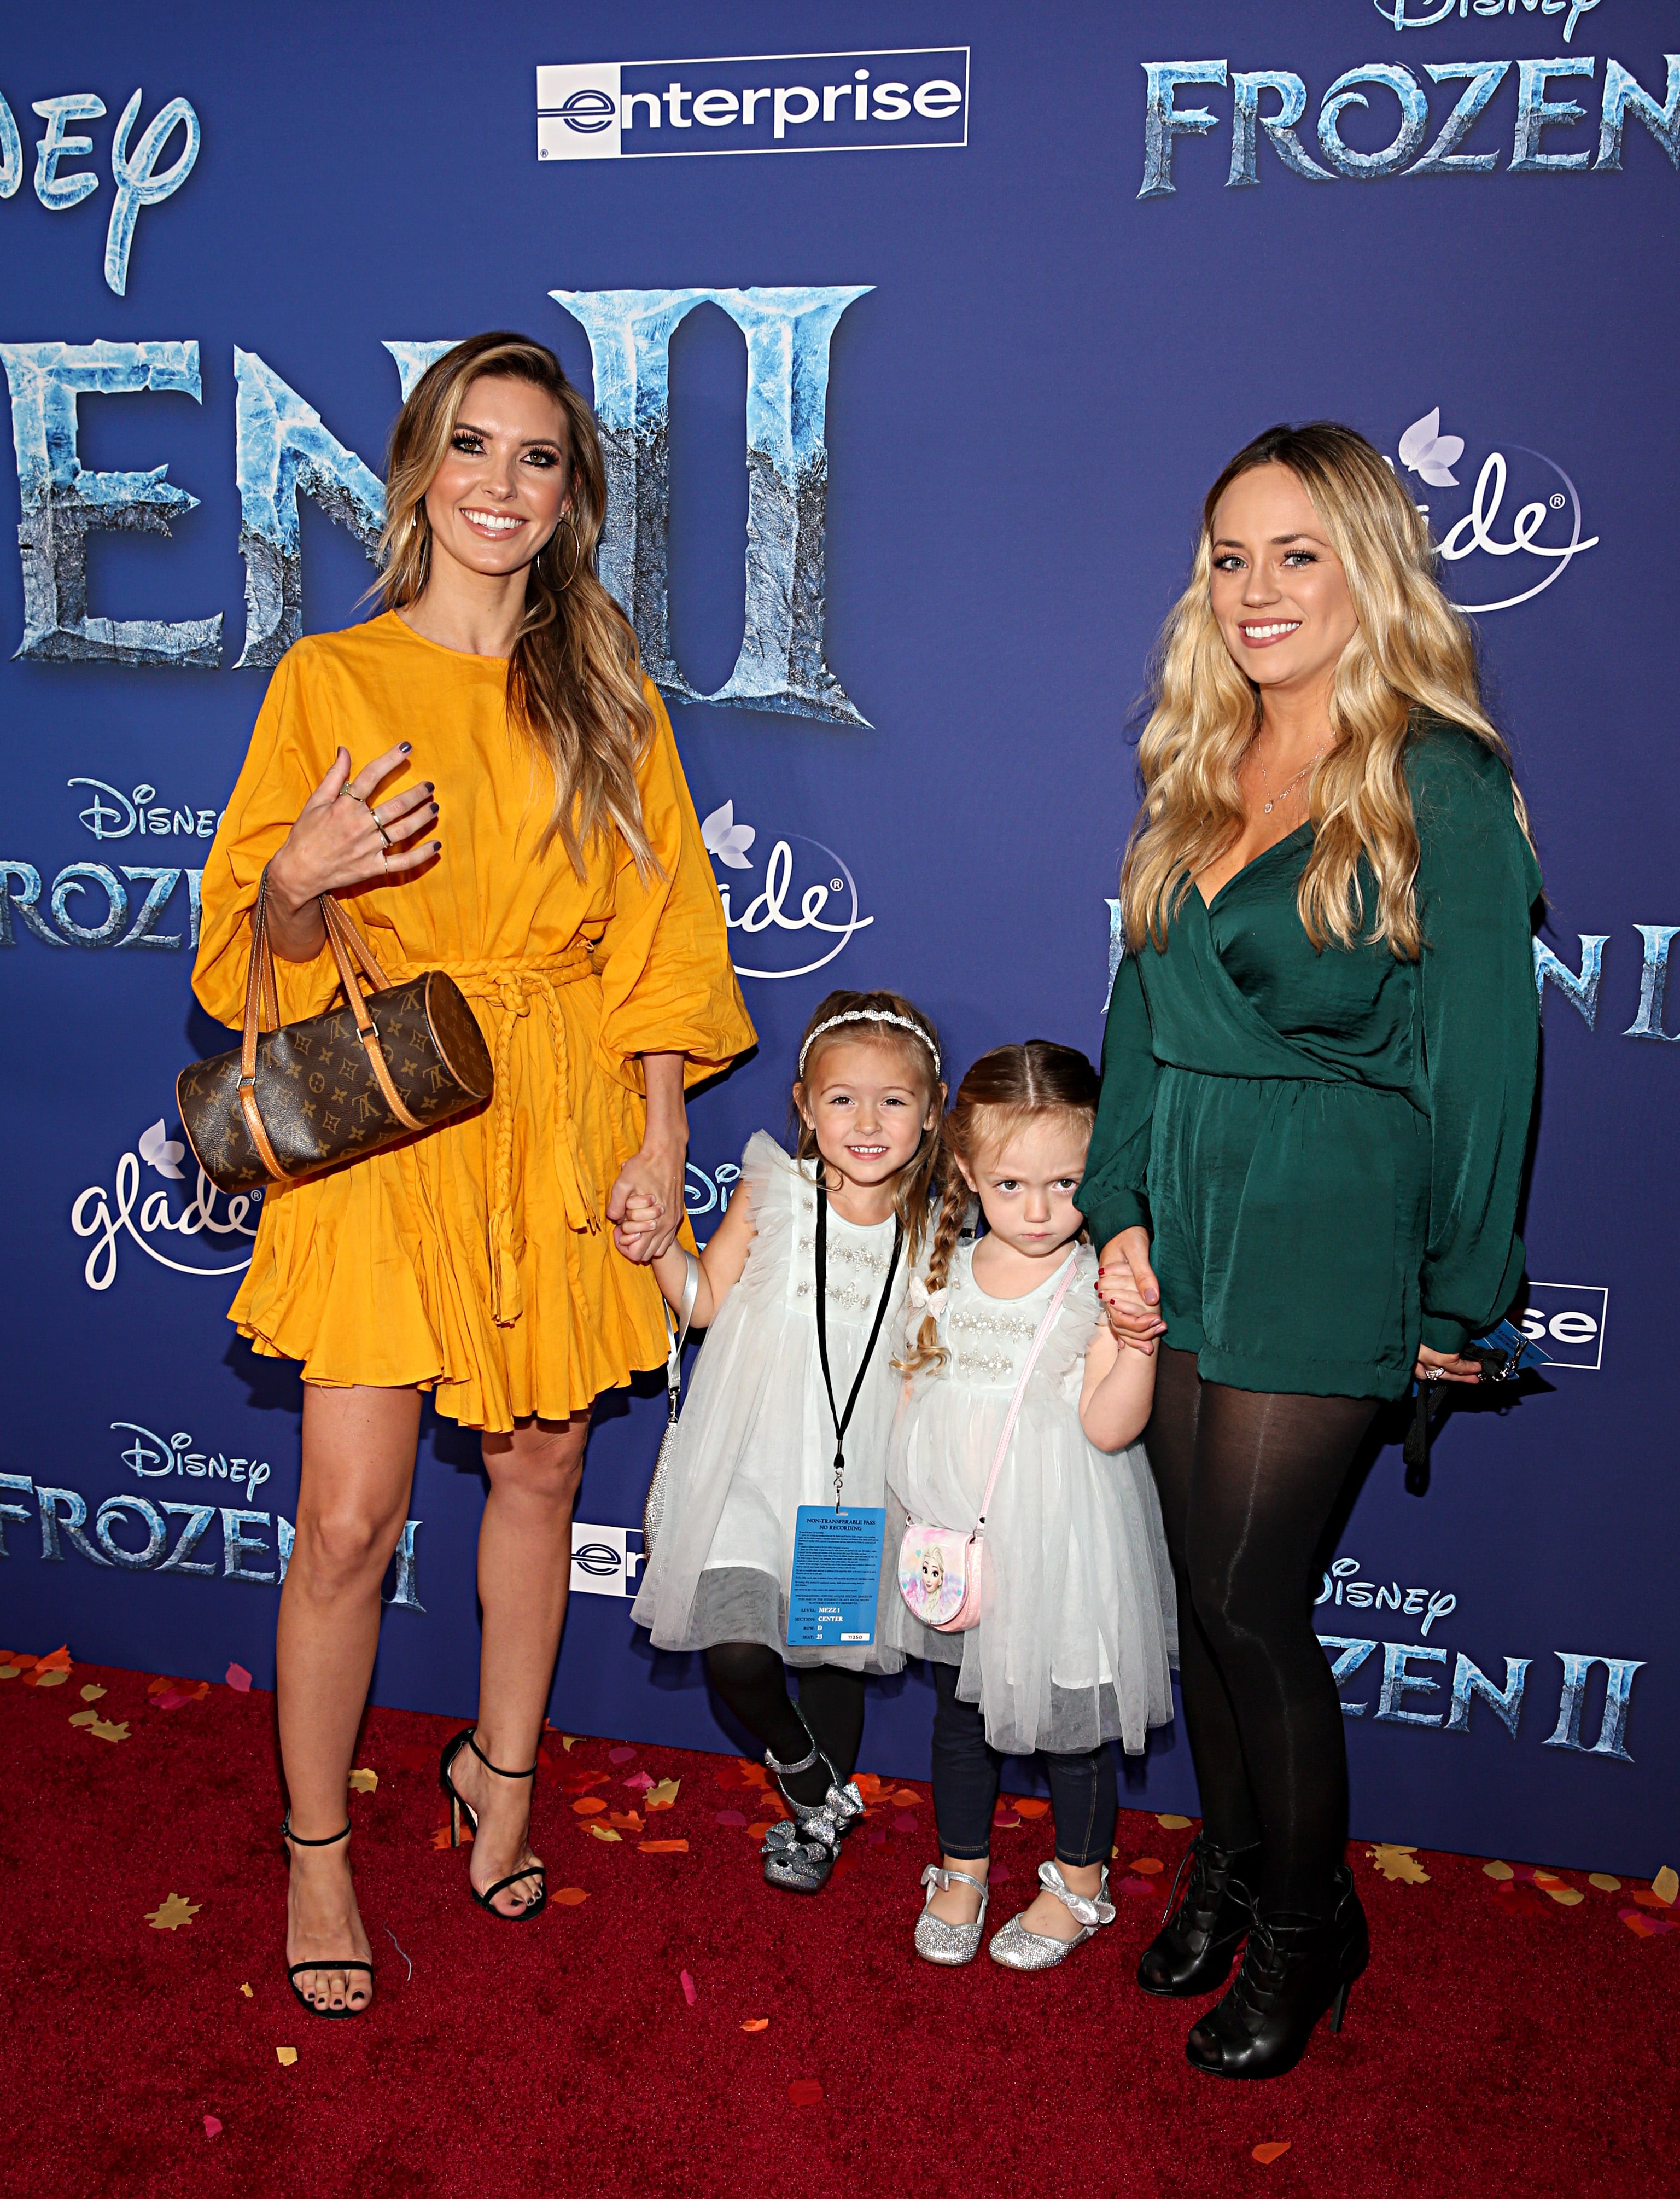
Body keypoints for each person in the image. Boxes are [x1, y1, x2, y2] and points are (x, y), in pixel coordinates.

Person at [192, 333, 754, 2018]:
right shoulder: (330, 680)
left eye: (539, 456)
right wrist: (297, 878)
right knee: (346, 1519)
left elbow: (664, 932)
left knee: (544, 1466)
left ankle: (500, 1774)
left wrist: (661, 1131)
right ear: (418, 473)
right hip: (393, 1113)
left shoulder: (608, 688)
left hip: (562, 1113)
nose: (502, 484)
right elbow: (248, 959)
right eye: (472, 446)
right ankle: (316, 1849)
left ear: (572, 495)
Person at [1083, 422, 1540, 2078]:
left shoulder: (1437, 778)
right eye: (1231, 556)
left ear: (1371, 573)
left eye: (1297, 554)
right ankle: (1226, 1861)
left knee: (1251, 1595)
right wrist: (1119, 1207)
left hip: (1331, 1212)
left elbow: (1487, 1065)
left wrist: (1456, 1296)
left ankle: (1306, 1919)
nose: (1256, 588)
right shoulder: (1200, 757)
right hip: (1188, 1204)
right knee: (1199, 1598)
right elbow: (1144, 1013)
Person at [629, 991, 943, 1894]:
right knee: (736, 1651)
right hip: (750, 1466)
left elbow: (933, 1363)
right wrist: (658, 1247)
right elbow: (706, 1305)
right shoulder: (774, 1192)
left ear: (932, 1112)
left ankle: (815, 1829)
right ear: (805, 1105)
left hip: (855, 1481)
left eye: (894, 1101)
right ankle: (810, 1778)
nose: (868, 1123)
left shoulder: (935, 1231)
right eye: (843, 1099)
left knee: (830, 1665)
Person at [882, 1043, 1175, 1970]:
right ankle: (962, 1868)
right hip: (955, 1543)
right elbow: (913, 1398)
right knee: (959, 1713)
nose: (1040, 1211)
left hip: (1061, 1545)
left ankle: (1080, 1884)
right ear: (967, 1169)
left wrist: (1136, 1343)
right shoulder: (938, 1270)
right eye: (1011, 1185)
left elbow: (1108, 1427)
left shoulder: (1095, 1285)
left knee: (1070, 1728)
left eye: (1066, 1184)